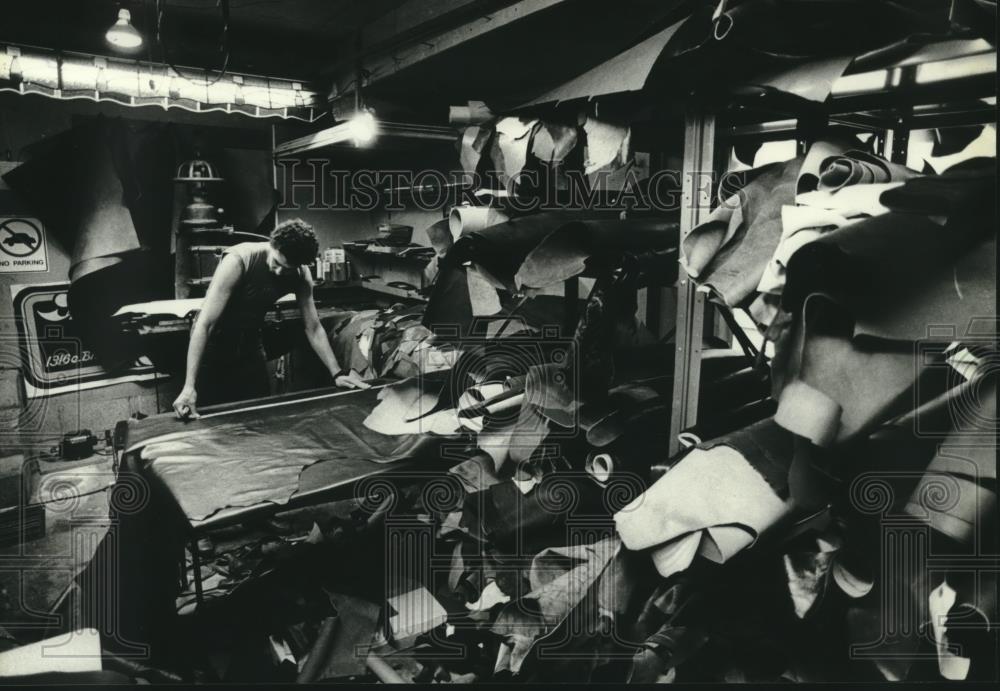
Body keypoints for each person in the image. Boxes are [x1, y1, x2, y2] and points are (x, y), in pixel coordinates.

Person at [172, 218, 366, 419]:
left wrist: (337, 374)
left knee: (259, 416)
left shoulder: (300, 274)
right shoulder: (239, 260)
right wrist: (189, 386)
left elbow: (313, 327)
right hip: (213, 346)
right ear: (272, 245)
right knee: (206, 421)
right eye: (276, 262)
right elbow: (205, 324)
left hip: (250, 346)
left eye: (288, 269)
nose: (279, 271)